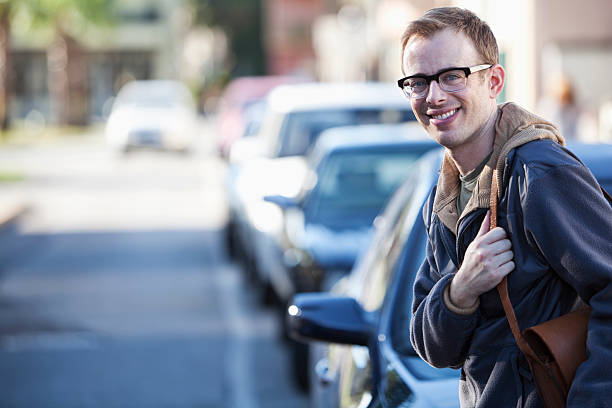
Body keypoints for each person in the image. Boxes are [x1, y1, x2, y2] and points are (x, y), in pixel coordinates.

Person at [399, 7, 612, 408]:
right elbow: (434, 349)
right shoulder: (442, 196)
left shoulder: (540, 175)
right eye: (418, 82)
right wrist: (460, 290)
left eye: (452, 76)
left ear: (493, 80)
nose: (434, 96)